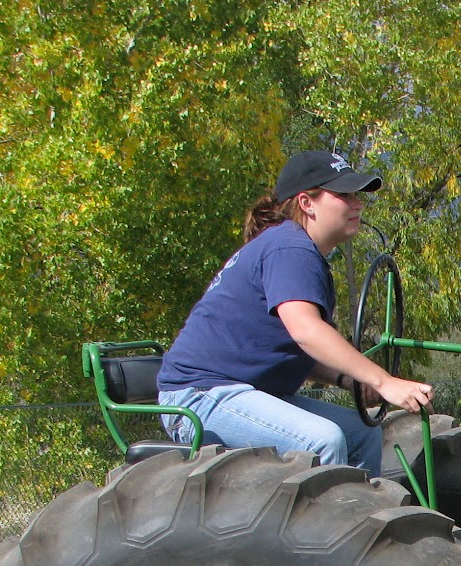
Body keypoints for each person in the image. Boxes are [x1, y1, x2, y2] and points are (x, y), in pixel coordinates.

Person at [156, 150, 433, 476]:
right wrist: (383, 381)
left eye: (357, 195)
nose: (357, 204)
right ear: (306, 203)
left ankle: (363, 520)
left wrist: (349, 379)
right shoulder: (289, 248)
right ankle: (336, 526)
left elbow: (294, 350)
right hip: (199, 397)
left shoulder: (300, 252)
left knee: (362, 434)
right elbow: (306, 332)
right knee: (322, 441)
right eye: (343, 195)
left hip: (245, 392)